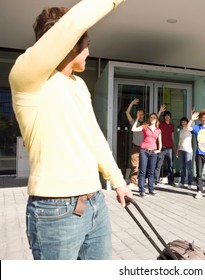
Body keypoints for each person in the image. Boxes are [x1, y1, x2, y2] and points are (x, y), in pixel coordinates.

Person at [8, 0, 132, 260]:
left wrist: (118, 181)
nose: (88, 52)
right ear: (70, 42)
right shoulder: (27, 76)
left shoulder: (78, 85)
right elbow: (73, 24)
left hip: (95, 203)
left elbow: (94, 137)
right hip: (55, 211)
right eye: (86, 45)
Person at [186, 109, 205, 199]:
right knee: (199, 174)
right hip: (199, 154)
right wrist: (191, 119)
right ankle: (199, 191)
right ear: (200, 118)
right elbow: (187, 128)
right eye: (202, 117)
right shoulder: (196, 127)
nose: (204, 119)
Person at [132, 113, 162, 198]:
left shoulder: (158, 130)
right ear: (149, 119)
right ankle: (141, 191)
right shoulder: (145, 126)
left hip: (153, 152)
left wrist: (159, 150)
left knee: (151, 172)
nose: (152, 118)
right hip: (144, 151)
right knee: (142, 171)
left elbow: (160, 141)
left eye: (154, 117)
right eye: (151, 117)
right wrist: (137, 119)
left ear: (156, 119)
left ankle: (151, 190)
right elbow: (133, 129)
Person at [154, 106, 176, 186]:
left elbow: (172, 137)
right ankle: (156, 180)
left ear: (170, 117)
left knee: (170, 165)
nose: (167, 116)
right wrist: (160, 111)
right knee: (158, 165)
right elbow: (155, 119)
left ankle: (171, 181)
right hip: (161, 148)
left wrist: (175, 149)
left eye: (168, 115)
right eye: (166, 115)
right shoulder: (161, 124)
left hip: (169, 148)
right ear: (164, 117)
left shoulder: (171, 126)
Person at [126, 98, 145, 187]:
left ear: (143, 115)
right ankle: (133, 182)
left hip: (144, 148)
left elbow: (155, 118)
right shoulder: (134, 122)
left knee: (143, 166)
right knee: (135, 166)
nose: (140, 115)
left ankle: (141, 181)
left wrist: (160, 111)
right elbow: (127, 113)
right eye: (138, 114)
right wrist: (132, 103)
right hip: (135, 147)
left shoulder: (146, 123)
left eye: (141, 114)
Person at [176, 116, 193, 189]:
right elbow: (179, 141)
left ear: (187, 122)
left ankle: (190, 183)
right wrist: (177, 150)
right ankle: (182, 182)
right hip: (181, 150)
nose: (183, 123)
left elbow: (193, 122)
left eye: (185, 121)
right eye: (182, 122)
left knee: (189, 168)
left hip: (188, 150)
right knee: (182, 168)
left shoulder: (189, 129)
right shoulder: (181, 131)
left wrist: (192, 116)